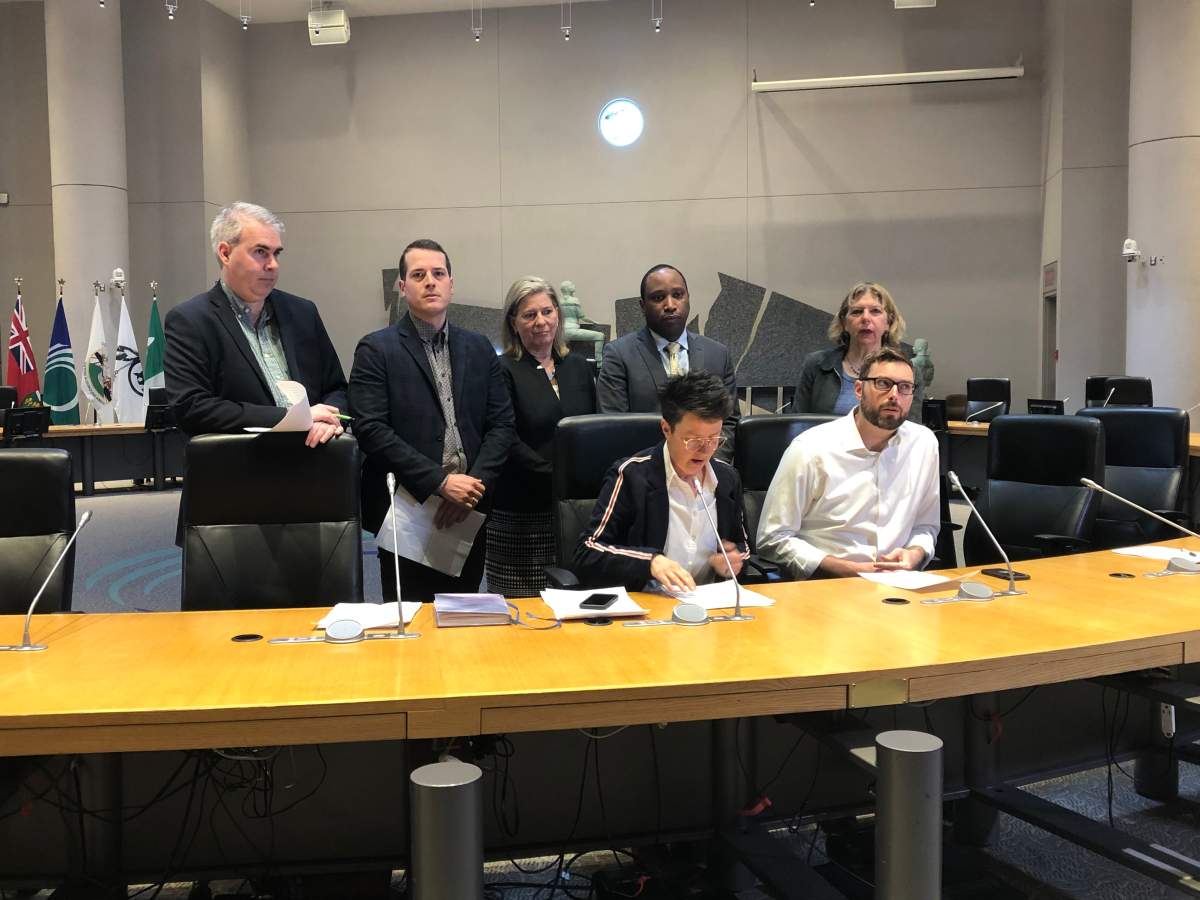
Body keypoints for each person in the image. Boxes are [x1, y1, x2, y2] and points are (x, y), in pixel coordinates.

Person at [349, 239, 515, 601]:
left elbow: (502, 424)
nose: (430, 282)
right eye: (418, 274)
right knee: (410, 620)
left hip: (470, 508)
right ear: (402, 286)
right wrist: (440, 483)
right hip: (408, 509)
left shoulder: (479, 348)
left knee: (463, 615)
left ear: (451, 284)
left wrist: (472, 486)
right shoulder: (376, 349)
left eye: (438, 274)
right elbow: (371, 430)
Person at [164, 201, 347, 446]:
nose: (273, 264)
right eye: (261, 252)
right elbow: (191, 407)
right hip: (239, 470)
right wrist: (289, 419)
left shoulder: (303, 313)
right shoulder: (191, 320)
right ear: (225, 253)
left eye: (276, 253)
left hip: (313, 464)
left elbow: (337, 388)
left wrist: (328, 419)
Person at [758, 347, 940, 580]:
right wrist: (845, 568)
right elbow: (773, 538)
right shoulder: (811, 448)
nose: (895, 395)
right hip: (826, 583)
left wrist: (915, 553)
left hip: (898, 584)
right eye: (883, 383)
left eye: (905, 387)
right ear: (858, 389)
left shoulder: (924, 444)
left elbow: (926, 526)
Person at [574, 372, 748, 592]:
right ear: (666, 429)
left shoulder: (726, 479)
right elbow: (587, 551)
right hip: (648, 608)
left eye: (714, 439)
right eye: (693, 440)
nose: (705, 450)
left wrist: (734, 559)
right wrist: (650, 562)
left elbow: (744, 547)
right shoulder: (631, 476)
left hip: (710, 606)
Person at [486, 276, 597, 599]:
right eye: (529, 315)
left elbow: (592, 428)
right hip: (520, 512)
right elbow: (503, 436)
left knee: (576, 607)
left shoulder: (578, 367)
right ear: (513, 322)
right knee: (522, 614)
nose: (540, 322)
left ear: (558, 315)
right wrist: (554, 475)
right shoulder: (501, 369)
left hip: (575, 511)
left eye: (547, 312)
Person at [596, 264, 739, 461]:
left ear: (688, 298)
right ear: (642, 305)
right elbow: (613, 425)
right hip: (644, 475)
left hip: (705, 473)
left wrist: (708, 464)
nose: (670, 305)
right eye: (658, 297)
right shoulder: (619, 355)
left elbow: (729, 421)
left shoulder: (717, 354)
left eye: (678, 295)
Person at [789, 282, 922, 421]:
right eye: (857, 311)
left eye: (875, 311)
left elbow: (913, 431)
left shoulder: (909, 372)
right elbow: (797, 423)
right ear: (844, 322)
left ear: (889, 322)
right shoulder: (817, 364)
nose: (865, 318)